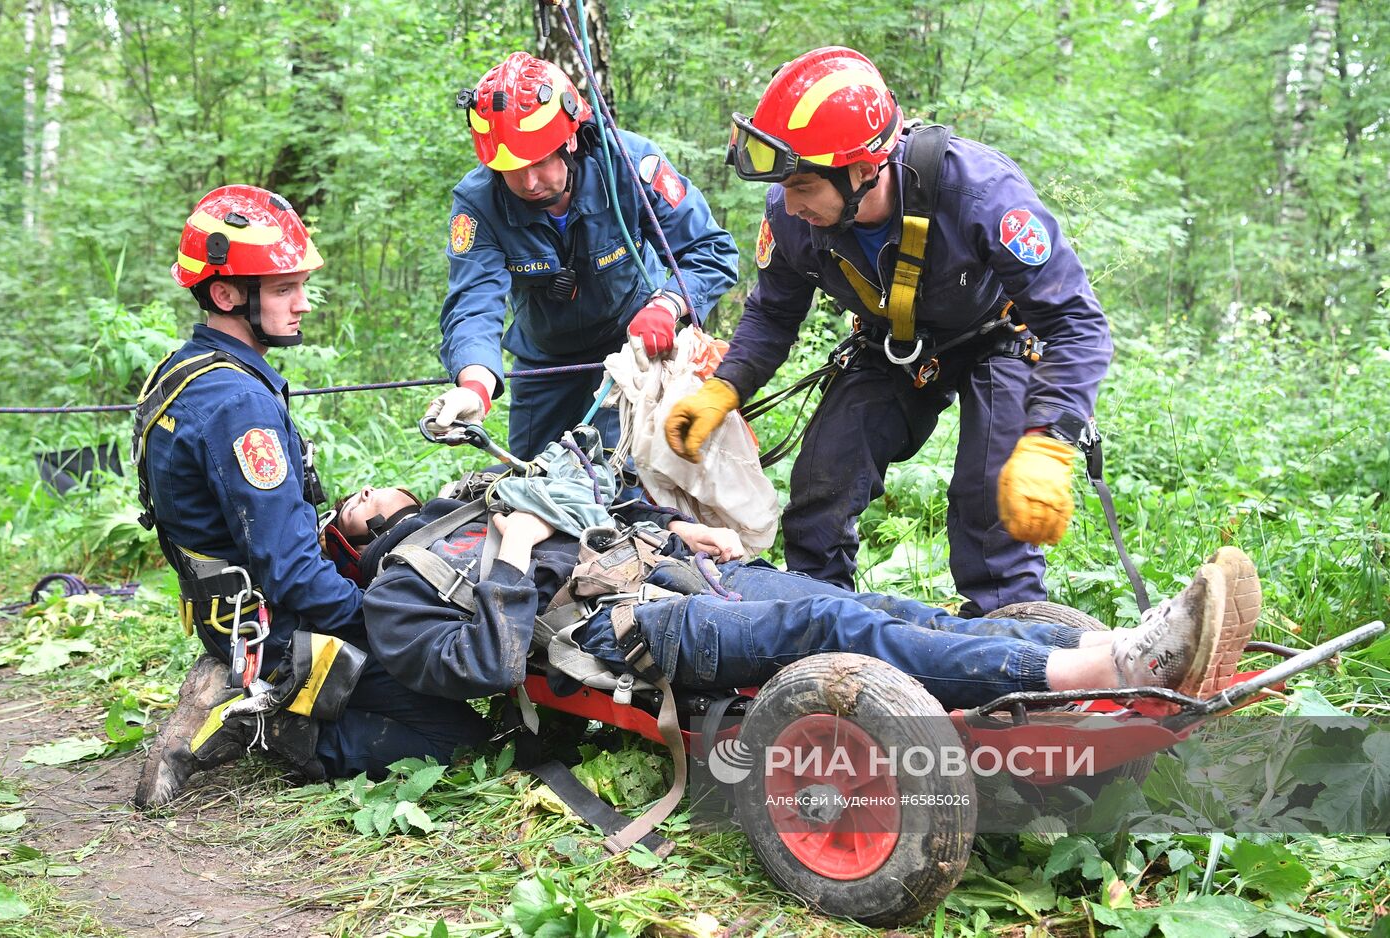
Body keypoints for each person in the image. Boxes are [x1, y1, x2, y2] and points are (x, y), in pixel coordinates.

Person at [664, 47, 1114, 617]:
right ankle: (817, 626)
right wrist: (725, 388)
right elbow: (774, 313)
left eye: (803, 186)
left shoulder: (981, 193)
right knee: (822, 484)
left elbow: (1076, 323)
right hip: (891, 347)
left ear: (862, 168)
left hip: (997, 337)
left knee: (991, 501)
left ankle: (1011, 645)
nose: (789, 203)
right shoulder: (790, 214)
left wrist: (1051, 437)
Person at [131, 185, 487, 809]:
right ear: (226, 294)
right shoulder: (240, 405)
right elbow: (293, 574)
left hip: (233, 619)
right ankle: (280, 727)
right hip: (278, 632)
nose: (302, 303)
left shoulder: (184, 373)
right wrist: (389, 624)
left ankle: (238, 677)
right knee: (466, 738)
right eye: (282, 289)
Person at [347, 483, 1259, 722]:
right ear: (356, 542)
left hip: (670, 576)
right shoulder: (398, 593)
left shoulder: (477, 504)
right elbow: (486, 668)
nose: (375, 492)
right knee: (832, 628)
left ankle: (1091, 655)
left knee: (878, 602)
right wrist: (509, 564)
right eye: (355, 504)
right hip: (622, 637)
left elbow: (599, 517)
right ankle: (1099, 667)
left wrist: (670, 531)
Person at [426, 51, 739, 459]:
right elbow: (473, 302)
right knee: (532, 484)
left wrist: (668, 304)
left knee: (619, 485)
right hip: (544, 363)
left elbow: (710, 250)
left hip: (630, 353)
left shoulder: (628, 165)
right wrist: (476, 385)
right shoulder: (478, 202)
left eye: (539, 162)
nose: (529, 182)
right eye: (510, 168)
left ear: (569, 139)